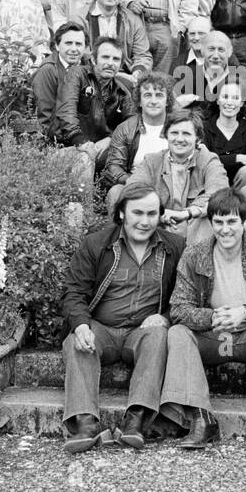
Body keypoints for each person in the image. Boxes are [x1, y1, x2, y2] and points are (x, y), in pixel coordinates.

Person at [161, 188, 246, 449]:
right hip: (214, 335)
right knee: (177, 332)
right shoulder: (194, 254)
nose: (225, 230)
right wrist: (212, 316)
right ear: (211, 223)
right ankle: (201, 419)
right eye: (219, 222)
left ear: (245, 223)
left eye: (232, 222)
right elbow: (179, 308)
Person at [60, 183, 185, 453]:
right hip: (101, 328)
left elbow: (187, 296)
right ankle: (85, 423)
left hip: (141, 333)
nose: (144, 221)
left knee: (159, 335)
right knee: (76, 341)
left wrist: (164, 317)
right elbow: (74, 291)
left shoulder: (174, 247)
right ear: (121, 214)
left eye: (152, 214)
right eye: (137, 213)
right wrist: (81, 324)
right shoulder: (97, 244)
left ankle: (136, 420)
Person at [124, 110, 228, 245]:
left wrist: (187, 214)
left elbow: (220, 194)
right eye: (174, 133)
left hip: (194, 229)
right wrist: (158, 213)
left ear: (198, 138)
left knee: (207, 216)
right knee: (121, 196)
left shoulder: (208, 160)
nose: (179, 139)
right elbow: (132, 189)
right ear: (166, 135)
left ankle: (196, 262)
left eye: (186, 134)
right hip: (159, 225)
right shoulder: (152, 161)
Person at [56, 37, 134, 182]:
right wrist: (82, 142)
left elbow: (132, 123)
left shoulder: (121, 91)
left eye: (116, 59)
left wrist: (110, 139)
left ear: (121, 64)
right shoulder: (77, 75)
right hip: (67, 147)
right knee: (84, 159)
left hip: (99, 150)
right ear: (93, 59)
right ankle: (83, 205)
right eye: (105, 57)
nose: (110, 63)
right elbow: (66, 112)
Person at [77, 0, 153, 81]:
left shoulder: (132, 19)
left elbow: (142, 55)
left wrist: (137, 73)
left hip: (125, 77)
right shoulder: (81, 17)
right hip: (89, 76)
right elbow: (80, 53)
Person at [104, 71, 171, 190]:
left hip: (171, 187)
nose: (153, 101)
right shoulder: (125, 128)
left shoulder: (179, 126)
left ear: (167, 101)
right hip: (135, 188)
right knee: (115, 192)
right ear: (139, 101)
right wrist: (133, 182)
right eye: (147, 95)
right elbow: (113, 166)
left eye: (159, 95)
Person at [31, 21, 90, 143]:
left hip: (84, 134)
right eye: (68, 43)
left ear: (85, 47)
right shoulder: (48, 71)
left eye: (78, 44)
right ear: (57, 46)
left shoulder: (87, 67)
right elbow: (45, 118)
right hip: (60, 140)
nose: (74, 49)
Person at [203, 80, 246, 189]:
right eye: (225, 97)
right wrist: (239, 158)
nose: (229, 103)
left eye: (235, 98)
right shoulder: (205, 128)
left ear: (242, 102)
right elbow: (203, 160)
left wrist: (225, 159)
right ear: (217, 100)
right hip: (211, 183)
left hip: (243, 188)